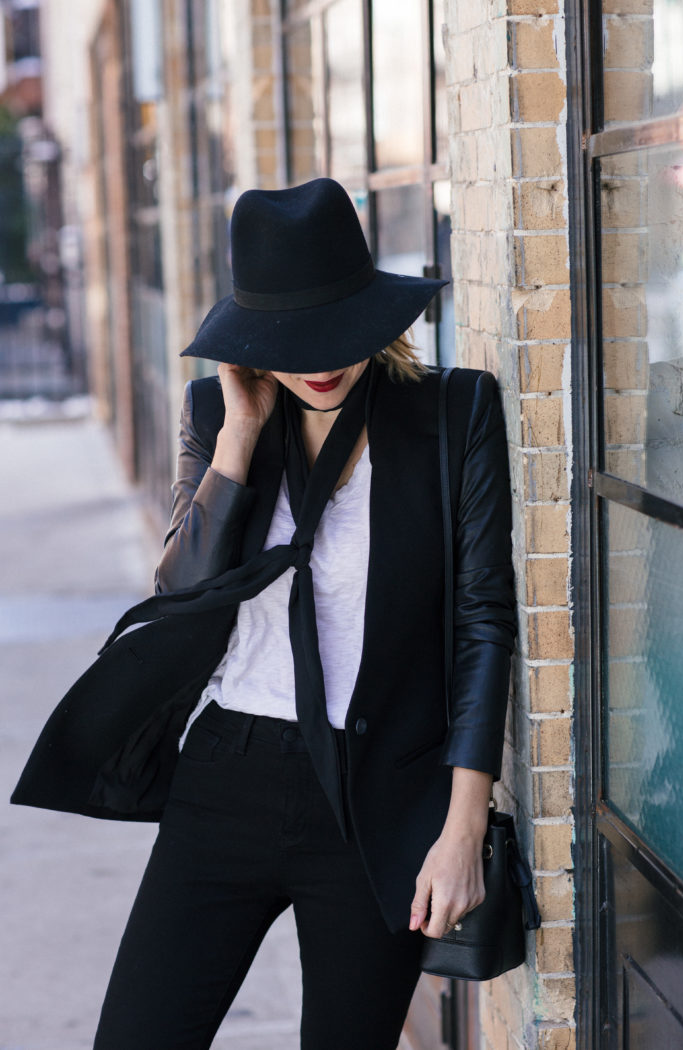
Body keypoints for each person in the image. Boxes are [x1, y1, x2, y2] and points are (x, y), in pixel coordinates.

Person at [12, 177, 516, 1050]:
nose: (318, 360)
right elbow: (182, 593)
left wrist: (463, 825)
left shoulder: (452, 413)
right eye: (289, 337)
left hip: (380, 794)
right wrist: (240, 439)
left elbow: (483, 623)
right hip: (229, 777)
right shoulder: (216, 413)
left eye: (336, 330)